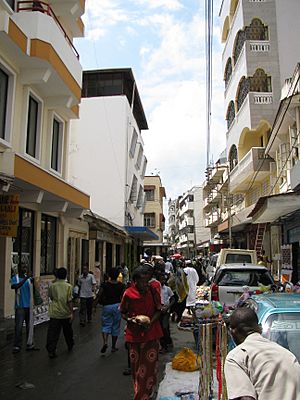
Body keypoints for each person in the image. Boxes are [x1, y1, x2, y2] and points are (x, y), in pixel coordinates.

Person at [225, 307, 300, 400]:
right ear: (259, 328)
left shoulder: (237, 357)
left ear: (233, 331)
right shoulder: (287, 354)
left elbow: (244, 398)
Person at [120, 265, 163, 400]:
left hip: (152, 334)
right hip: (134, 336)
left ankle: (145, 395)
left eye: (147, 281)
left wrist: (149, 322)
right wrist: (132, 320)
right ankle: (140, 394)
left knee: (150, 368)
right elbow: (123, 312)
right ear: (135, 281)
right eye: (142, 281)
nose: (145, 284)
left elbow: (159, 310)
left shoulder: (153, 291)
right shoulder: (128, 293)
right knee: (137, 370)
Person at [46, 267, 74, 358]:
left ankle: (51, 349)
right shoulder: (68, 286)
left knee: (53, 332)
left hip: (55, 312)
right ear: (66, 275)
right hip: (65, 312)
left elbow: (51, 297)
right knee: (67, 331)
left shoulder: (52, 286)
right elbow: (69, 300)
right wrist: (71, 312)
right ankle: (70, 344)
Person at [96, 267, 125, 354]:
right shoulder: (121, 285)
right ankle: (113, 346)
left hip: (107, 306)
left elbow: (99, 295)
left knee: (106, 325)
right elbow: (123, 297)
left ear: (109, 275)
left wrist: (94, 305)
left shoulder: (104, 285)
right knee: (115, 326)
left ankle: (105, 342)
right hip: (117, 306)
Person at [10, 264, 39, 353]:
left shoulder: (29, 279)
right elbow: (14, 286)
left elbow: (33, 291)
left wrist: (33, 283)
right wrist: (26, 279)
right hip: (20, 306)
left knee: (29, 327)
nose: (25, 269)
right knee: (18, 327)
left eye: (26, 267)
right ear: (19, 269)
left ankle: (30, 344)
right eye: (23, 267)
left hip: (29, 306)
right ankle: (17, 345)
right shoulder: (16, 278)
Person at [157, 272, 175, 353]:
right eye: (161, 279)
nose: (162, 281)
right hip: (158, 311)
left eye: (164, 279)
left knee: (164, 327)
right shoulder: (155, 289)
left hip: (166, 311)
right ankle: (164, 345)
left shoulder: (167, 289)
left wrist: (168, 307)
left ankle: (168, 343)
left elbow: (173, 299)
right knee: (159, 329)